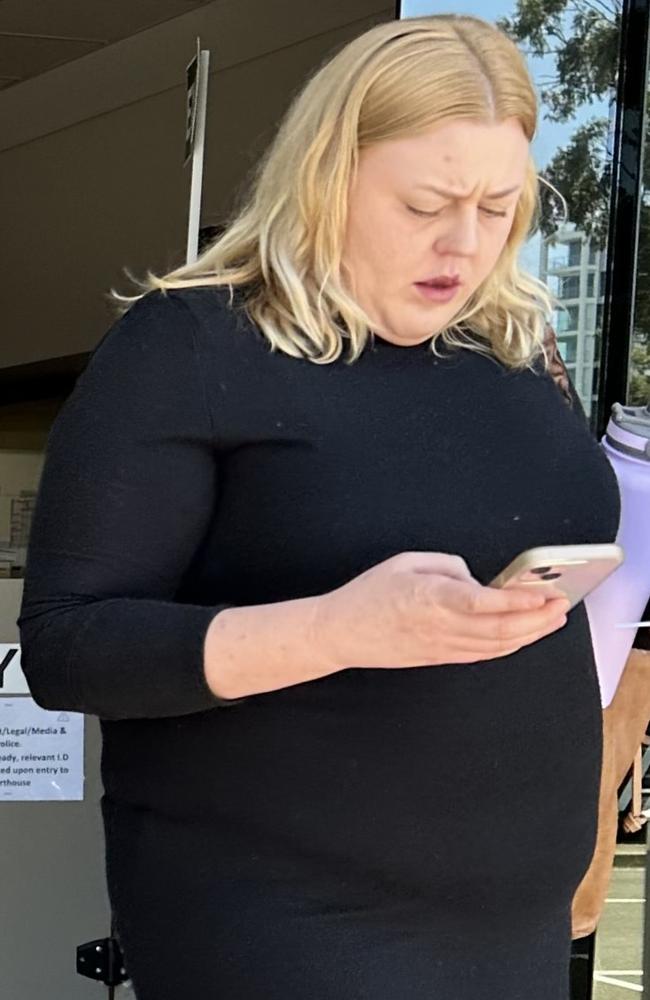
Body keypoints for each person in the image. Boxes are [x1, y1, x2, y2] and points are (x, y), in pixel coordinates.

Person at [17, 13, 620, 1000]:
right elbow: (69, 647)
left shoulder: (513, 358)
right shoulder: (193, 346)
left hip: (510, 927)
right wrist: (336, 628)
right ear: (326, 176)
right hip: (284, 925)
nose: (462, 243)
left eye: (496, 207)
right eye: (425, 203)